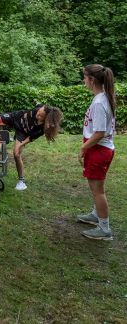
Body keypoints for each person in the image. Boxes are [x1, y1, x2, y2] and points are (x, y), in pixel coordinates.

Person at [76, 64, 116, 241]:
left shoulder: (100, 102)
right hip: (97, 148)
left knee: (98, 190)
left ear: (92, 80)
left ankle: (104, 229)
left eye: (85, 77)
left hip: (99, 150)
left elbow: (99, 132)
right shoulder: (102, 97)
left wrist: (84, 148)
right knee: (96, 188)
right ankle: (96, 214)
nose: (83, 80)